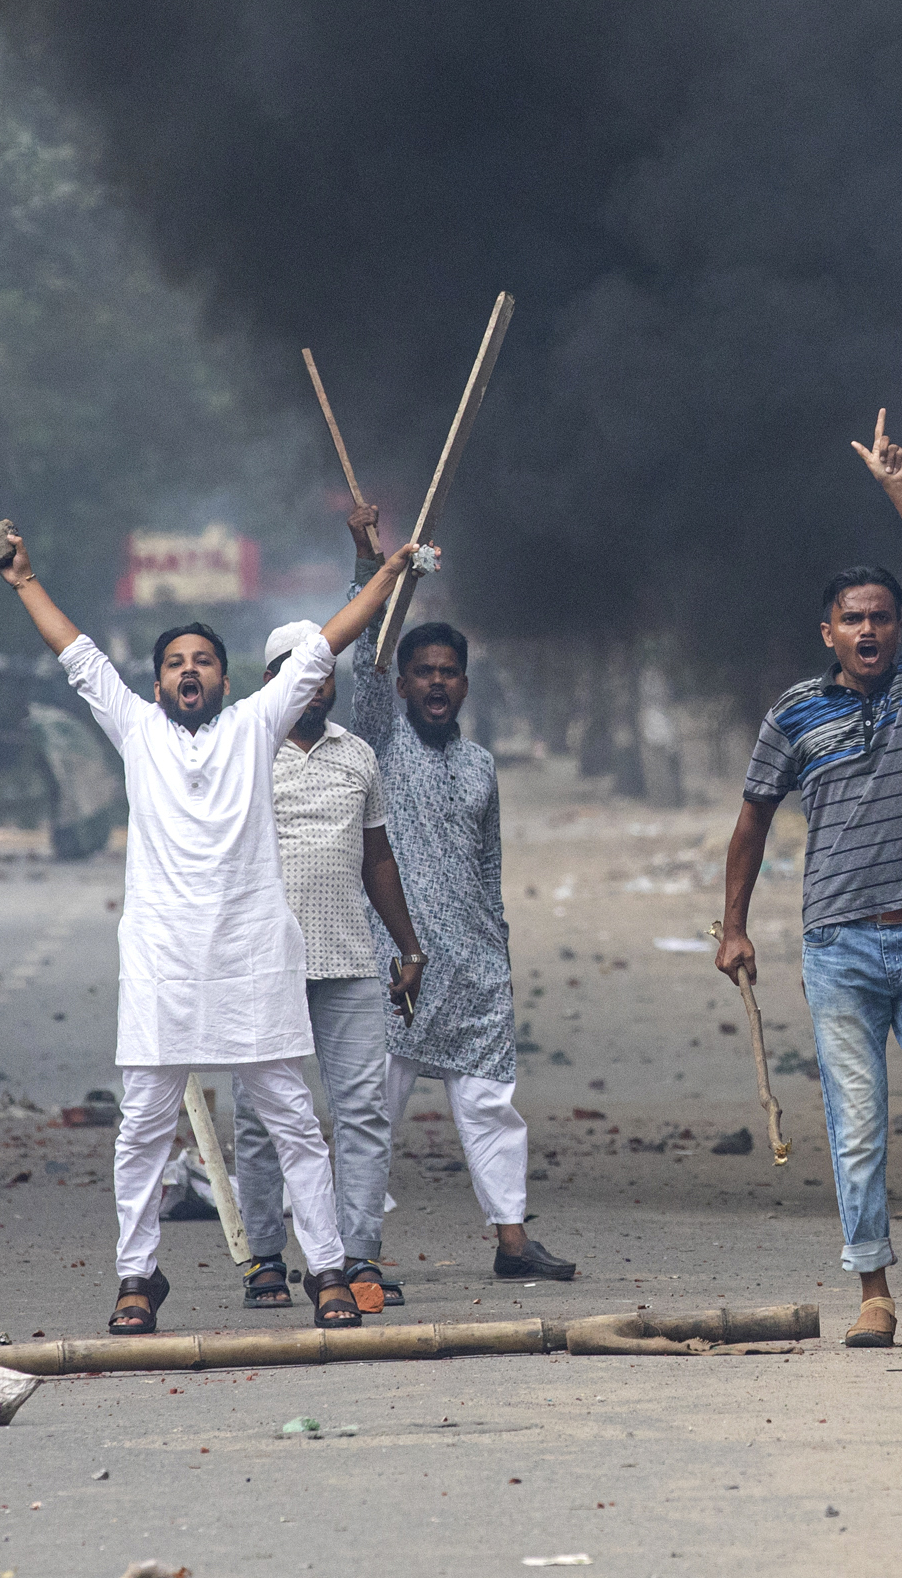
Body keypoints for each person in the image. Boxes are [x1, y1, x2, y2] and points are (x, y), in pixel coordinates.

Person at [0, 521, 417, 1335]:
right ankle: (137, 1277)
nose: (190, 672)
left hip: (253, 956)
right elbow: (76, 654)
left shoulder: (257, 727)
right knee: (143, 1126)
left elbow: (328, 643)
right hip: (162, 964)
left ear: (227, 680)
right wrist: (23, 582)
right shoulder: (137, 731)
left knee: (290, 1115)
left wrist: (387, 575)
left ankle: (325, 1268)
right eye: (176, 664)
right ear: (156, 687)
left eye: (204, 662)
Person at [715, 412, 902, 1351]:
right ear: (827, 630)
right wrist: (732, 924)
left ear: (899, 629)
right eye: (852, 618)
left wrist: (899, 488)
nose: (869, 629)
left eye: (881, 616)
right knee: (857, 1124)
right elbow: (752, 819)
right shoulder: (793, 714)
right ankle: (873, 1288)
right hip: (836, 943)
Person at [339, 500, 576, 1285]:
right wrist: (374, 565)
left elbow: (488, 869)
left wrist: (500, 956)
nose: (436, 685)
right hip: (393, 968)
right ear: (402, 684)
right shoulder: (379, 740)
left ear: (464, 686)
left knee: (492, 1110)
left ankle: (513, 1244)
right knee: (372, 1114)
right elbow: (362, 659)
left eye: (449, 674)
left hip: (475, 970)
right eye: (423, 673)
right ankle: (354, 1253)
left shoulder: (478, 765)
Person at [228, 612, 429, 1316]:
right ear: (270, 681)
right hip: (262, 965)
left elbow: (378, 860)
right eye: (296, 672)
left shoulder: (357, 757)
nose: (312, 686)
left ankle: (359, 1256)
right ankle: (264, 1258)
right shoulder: (242, 749)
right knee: (259, 1118)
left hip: (348, 960)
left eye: (322, 674)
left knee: (362, 1113)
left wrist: (409, 946)